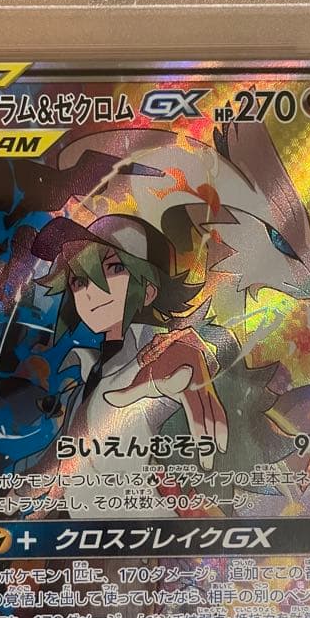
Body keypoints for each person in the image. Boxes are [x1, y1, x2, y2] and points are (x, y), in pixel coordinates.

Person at [30, 213, 228, 518]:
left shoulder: (158, 354)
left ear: (149, 289)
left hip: (143, 530)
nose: (92, 290)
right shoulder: (91, 370)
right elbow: (61, 457)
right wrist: (3, 503)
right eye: (79, 281)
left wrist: (194, 355)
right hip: (86, 529)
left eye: (115, 269)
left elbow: (174, 372)